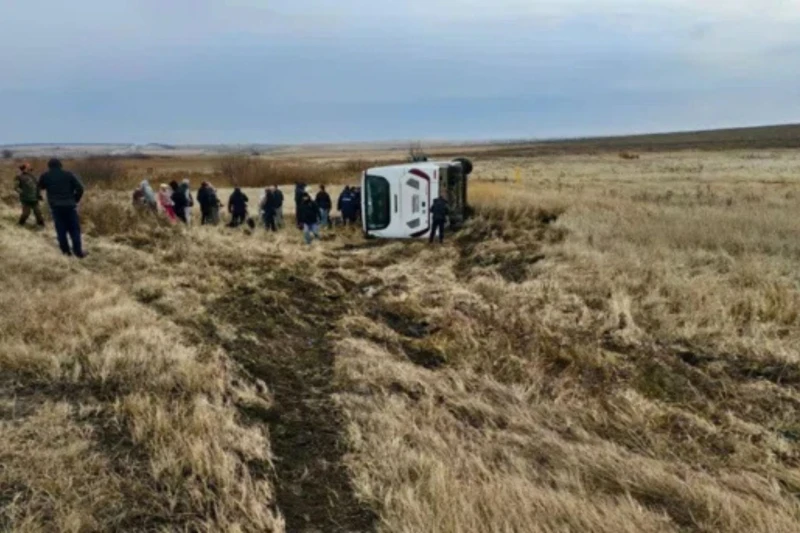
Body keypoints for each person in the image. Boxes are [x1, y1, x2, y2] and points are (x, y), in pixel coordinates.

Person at [38, 158, 85, 257]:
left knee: (61, 230)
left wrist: (41, 195)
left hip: (56, 207)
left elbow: (39, 187)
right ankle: (78, 252)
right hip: (70, 206)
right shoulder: (69, 174)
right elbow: (80, 188)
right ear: (60, 165)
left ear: (49, 166)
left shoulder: (45, 176)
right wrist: (75, 199)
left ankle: (66, 252)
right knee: (74, 229)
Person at [15, 163, 44, 227]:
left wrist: (39, 194)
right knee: (26, 213)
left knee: (38, 213)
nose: (29, 168)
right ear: (24, 169)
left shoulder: (32, 176)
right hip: (26, 199)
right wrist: (22, 193)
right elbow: (16, 187)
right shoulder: (19, 177)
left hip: (34, 198)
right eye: (28, 167)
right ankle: (20, 224)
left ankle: (41, 225)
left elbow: (37, 186)